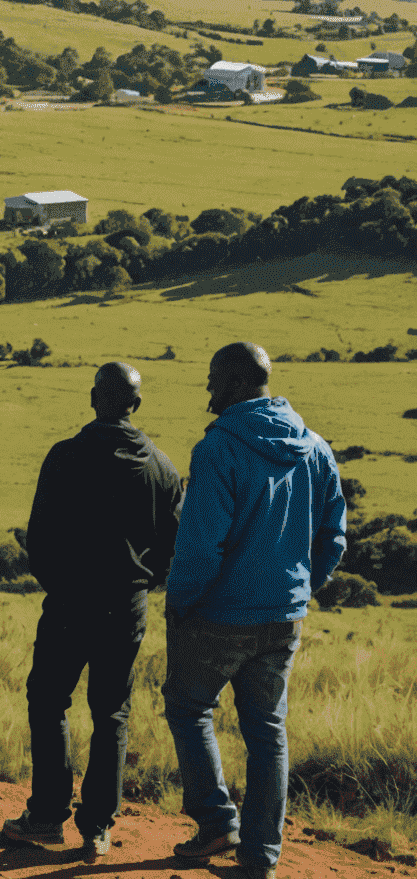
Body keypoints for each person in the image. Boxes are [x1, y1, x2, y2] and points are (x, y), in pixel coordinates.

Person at [164, 342, 346, 879]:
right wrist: (301, 587)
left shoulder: (217, 447)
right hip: (283, 616)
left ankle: (217, 820)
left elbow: (200, 545)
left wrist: (180, 603)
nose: (209, 391)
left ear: (241, 382)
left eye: (215, 379)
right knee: (267, 732)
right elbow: (333, 537)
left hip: (218, 614)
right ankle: (261, 855)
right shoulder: (314, 447)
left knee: (188, 707)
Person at [2, 362, 183, 862]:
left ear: (92, 398)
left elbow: (38, 539)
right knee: (112, 712)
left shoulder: (64, 457)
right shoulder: (162, 468)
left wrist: (59, 584)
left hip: (69, 600)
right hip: (127, 605)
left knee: (47, 699)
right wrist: (141, 584)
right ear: (136, 405)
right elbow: (172, 549)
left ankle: (46, 816)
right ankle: (97, 827)